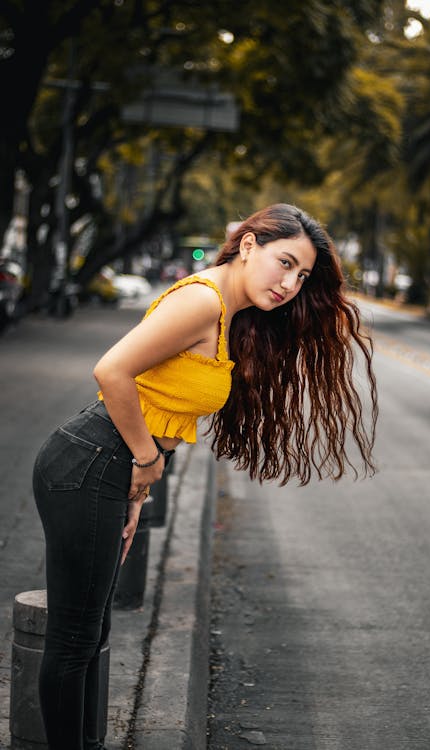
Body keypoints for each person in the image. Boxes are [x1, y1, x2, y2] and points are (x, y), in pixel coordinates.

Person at [32, 203, 377, 749]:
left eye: (302, 275)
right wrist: (147, 462)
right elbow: (111, 371)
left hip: (109, 465)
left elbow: (157, 403)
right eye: (283, 263)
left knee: (90, 632)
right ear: (247, 246)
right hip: (89, 462)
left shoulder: (227, 311)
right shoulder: (202, 300)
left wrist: (141, 486)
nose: (289, 283)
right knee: (73, 641)